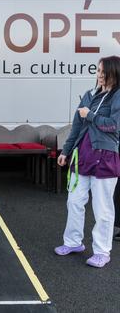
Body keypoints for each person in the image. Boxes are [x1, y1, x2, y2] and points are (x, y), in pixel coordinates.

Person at [54, 55, 120, 268]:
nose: (99, 75)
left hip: (105, 158)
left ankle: (102, 251)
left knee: (103, 209)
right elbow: (76, 127)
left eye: (104, 72)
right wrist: (66, 150)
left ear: (114, 72)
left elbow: (114, 126)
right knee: (74, 201)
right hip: (81, 156)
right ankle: (73, 242)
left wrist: (90, 115)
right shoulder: (89, 95)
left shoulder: (118, 96)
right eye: (98, 71)